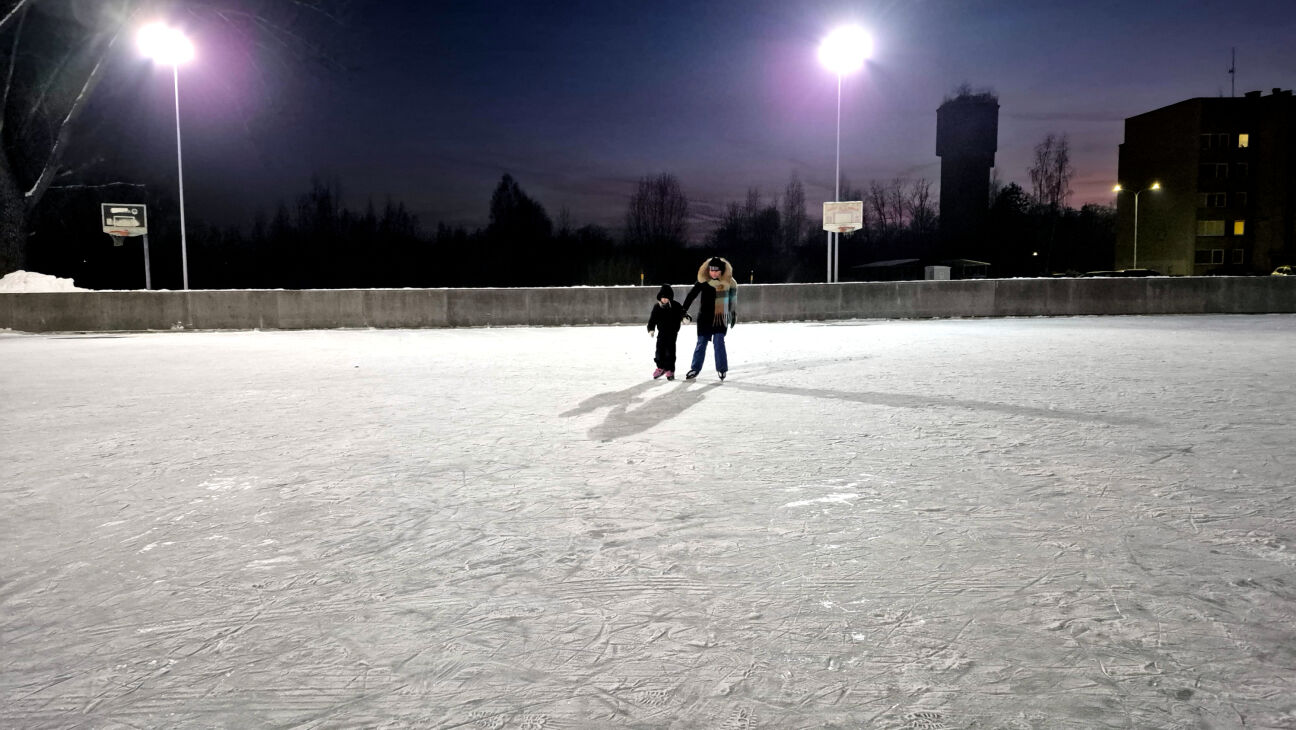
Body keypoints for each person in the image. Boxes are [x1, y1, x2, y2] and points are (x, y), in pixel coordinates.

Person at [681, 256, 738, 380]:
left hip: (720, 318)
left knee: (719, 342)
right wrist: (683, 310)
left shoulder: (728, 283)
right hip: (705, 318)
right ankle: (695, 368)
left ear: (721, 271)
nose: (714, 273)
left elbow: (732, 300)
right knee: (701, 343)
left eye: (717, 270)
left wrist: (733, 313)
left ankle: (722, 369)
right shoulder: (703, 282)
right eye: (712, 270)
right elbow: (691, 295)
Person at [646, 284, 689, 380]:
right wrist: (651, 329)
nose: (664, 299)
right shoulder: (657, 307)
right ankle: (660, 368)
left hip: (672, 333)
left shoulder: (676, 306)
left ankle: (670, 370)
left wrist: (685, 318)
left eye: (667, 297)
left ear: (670, 297)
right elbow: (652, 320)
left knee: (670, 352)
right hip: (661, 333)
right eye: (663, 297)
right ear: (660, 297)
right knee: (659, 351)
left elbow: (683, 313)